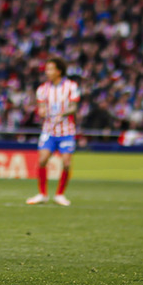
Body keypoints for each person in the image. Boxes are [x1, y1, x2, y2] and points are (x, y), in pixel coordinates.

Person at [27, 56, 81, 206]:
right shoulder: (43, 89)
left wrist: (62, 114)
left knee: (66, 163)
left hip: (66, 131)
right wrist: (42, 112)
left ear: (59, 71)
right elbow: (41, 108)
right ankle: (42, 194)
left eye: (50, 69)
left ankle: (60, 195)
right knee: (42, 159)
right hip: (49, 130)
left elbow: (73, 107)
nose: (47, 72)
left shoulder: (71, 86)